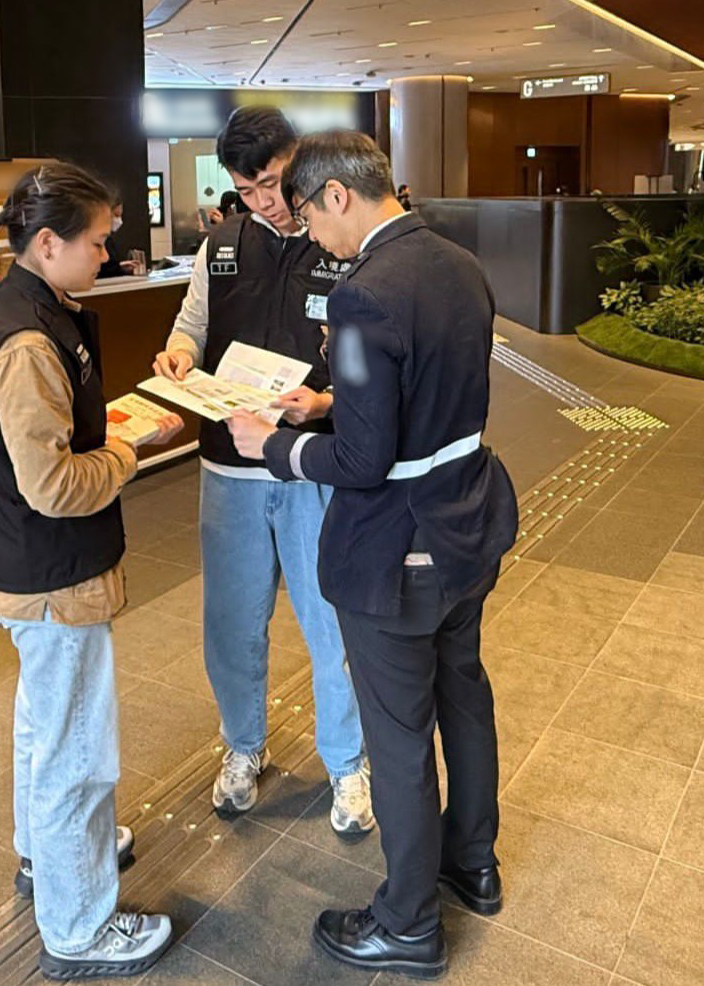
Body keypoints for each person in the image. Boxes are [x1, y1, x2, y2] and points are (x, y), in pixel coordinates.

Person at [229, 131, 518, 978]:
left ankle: (407, 922)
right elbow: (423, 389)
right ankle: (474, 865)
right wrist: (330, 402)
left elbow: (362, 463)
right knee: (464, 698)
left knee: (397, 736)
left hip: (399, 551)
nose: (313, 236)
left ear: (338, 196)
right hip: (467, 527)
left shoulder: (363, 294)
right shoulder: (459, 264)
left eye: (310, 216)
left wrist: (273, 446)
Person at [0, 162, 183, 981]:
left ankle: (45, 855)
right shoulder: (27, 343)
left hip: (31, 565)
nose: (107, 256)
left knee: (45, 725)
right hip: (51, 575)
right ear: (48, 243)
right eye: (96, 242)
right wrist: (130, 447)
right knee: (77, 754)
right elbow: (53, 486)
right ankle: (80, 925)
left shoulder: (36, 306)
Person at [152, 106, 373, 838]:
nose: (264, 203)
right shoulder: (221, 245)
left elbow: (373, 358)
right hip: (229, 468)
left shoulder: (338, 238)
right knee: (232, 624)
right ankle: (244, 746)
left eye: (273, 184)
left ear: (298, 161)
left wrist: (328, 405)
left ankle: (347, 763)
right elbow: (191, 326)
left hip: (313, 465)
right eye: (246, 191)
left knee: (331, 621)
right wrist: (179, 355)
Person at [95, 199, 142, 278]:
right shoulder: (98, 237)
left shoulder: (109, 240)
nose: (119, 220)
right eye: (116, 215)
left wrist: (119, 267)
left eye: (120, 216)